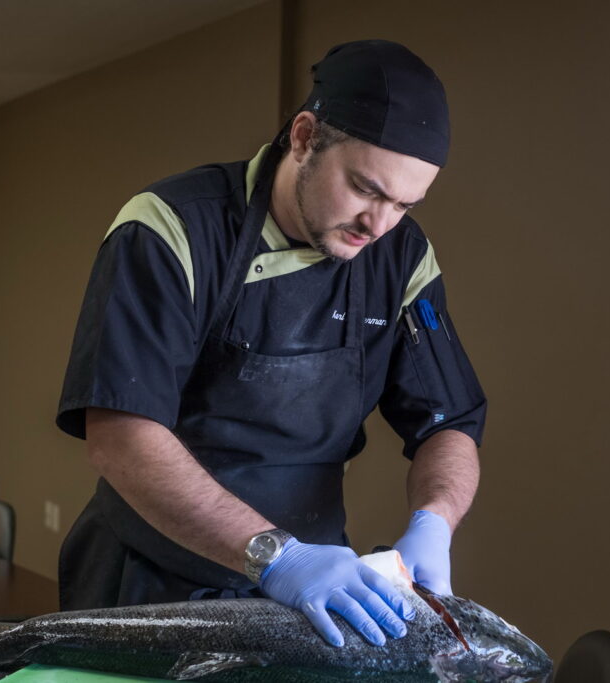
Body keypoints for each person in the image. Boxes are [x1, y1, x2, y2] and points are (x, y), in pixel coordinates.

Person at [55, 39, 486, 649]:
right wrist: (276, 557)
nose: (379, 224)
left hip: (314, 598)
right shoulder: (173, 227)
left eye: (404, 204)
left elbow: (449, 421)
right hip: (149, 580)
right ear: (304, 137)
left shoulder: (402, 256)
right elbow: (121, 435)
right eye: (365, 189)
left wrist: (434, 522)